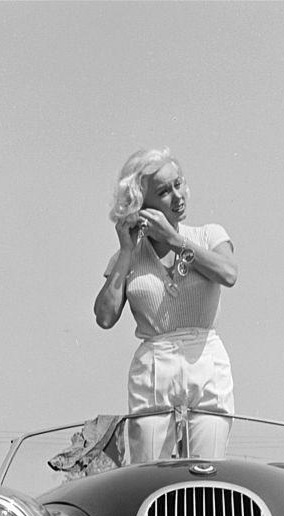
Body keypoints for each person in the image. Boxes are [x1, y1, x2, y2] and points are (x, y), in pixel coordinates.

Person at [93, 148, 238, 462]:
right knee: (150, 473)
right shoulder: (125, 258)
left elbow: (228, 273)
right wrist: (127, 252)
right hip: (154, 364)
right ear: (142, 205)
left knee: (207, 472)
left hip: (205, 358)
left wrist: (173, 239)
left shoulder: (209, 235)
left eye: (178, 184)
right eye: (163, 191)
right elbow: (104, 317)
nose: (177, 196)